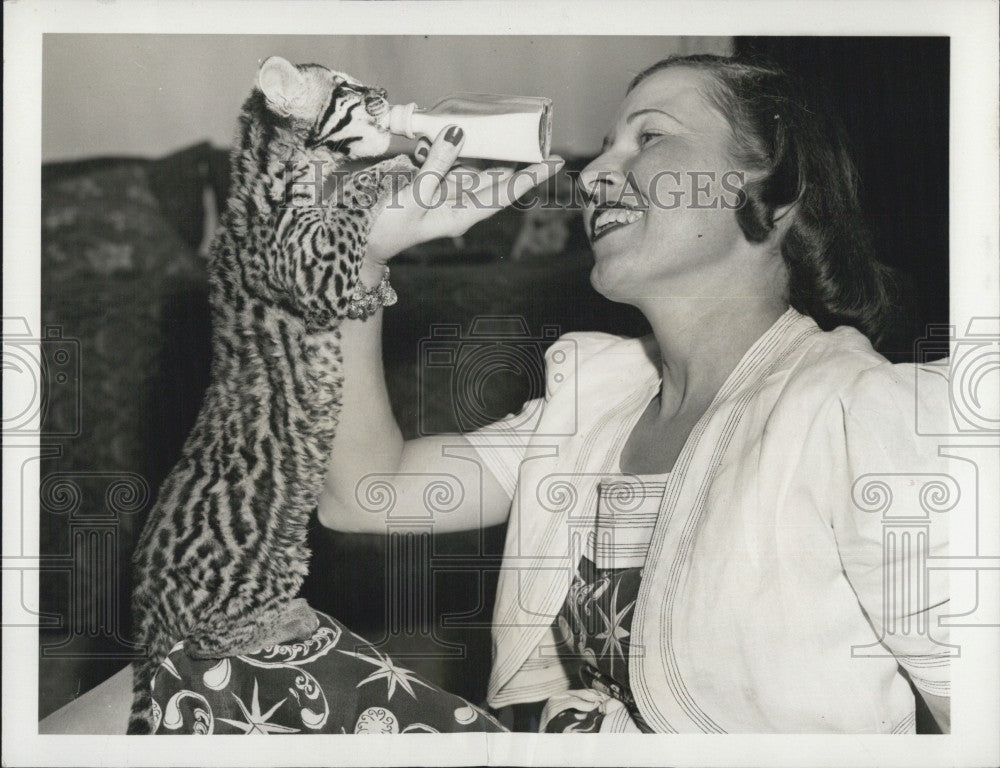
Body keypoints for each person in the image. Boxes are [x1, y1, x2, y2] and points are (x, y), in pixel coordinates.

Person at [319, 54, 952, 734]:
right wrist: (357, 259)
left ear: (776, 191)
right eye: (603, 149)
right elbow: (361, 492)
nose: (591, 177)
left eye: (649, 137)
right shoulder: (592, 396)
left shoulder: (858, 412)